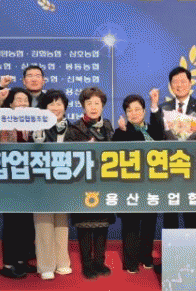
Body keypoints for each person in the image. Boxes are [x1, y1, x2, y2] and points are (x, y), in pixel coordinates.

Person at [113, 91, 164, 273]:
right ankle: (131, 261)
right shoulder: (120, 132)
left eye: (137, 109)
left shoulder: (153, 129)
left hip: (151, 184)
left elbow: (161, 135)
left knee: (149, 223)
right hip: (129, 186)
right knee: (131, 224)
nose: (133, 113)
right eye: (129, 110)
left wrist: (154, 105)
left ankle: (146, 257)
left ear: (144, 111)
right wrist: (124, 132)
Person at [69, 87, 116, 279]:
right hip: (83, 184)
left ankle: (99, 262)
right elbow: (69, 158)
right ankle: (87, 264)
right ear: (83, 106)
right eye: (89, 103)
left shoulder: (108, 126)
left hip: (104, 182)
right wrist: (83, 151)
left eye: (97, 103)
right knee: (85, 226)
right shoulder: (75, 129)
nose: (93, 107)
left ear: (102, 106)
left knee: (102, 225)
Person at [32, 90, 77, 280]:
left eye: (59, 104)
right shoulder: (37, 127)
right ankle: (46, 265)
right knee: (43, 223)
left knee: (61, 223)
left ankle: (62, 262)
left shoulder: (73, 128)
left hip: (65, 182)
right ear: (44, 108)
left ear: (65, 107)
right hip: (41, 182)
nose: (56, 108)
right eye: (51, 104)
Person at [158, 66, 196, 229]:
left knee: (191, 211)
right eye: (175, 82)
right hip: (170, 166)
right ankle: (171, 245)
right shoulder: (163, 108)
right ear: (170, 86)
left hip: (193, 167)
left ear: (190, 83)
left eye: (183, 81)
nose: (179, 85)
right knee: (170, 211)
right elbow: (158, 135)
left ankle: (192, 244)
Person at [0, 88, 37, 279]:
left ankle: (22, 260)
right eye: (18, 100)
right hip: (9, 180)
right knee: (12, 223)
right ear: (11, 104)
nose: (22, 103)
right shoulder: (3, 122)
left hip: (30, 181)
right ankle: (8, 264)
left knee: (26, 223)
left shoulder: (34, 124)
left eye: (25, 100)